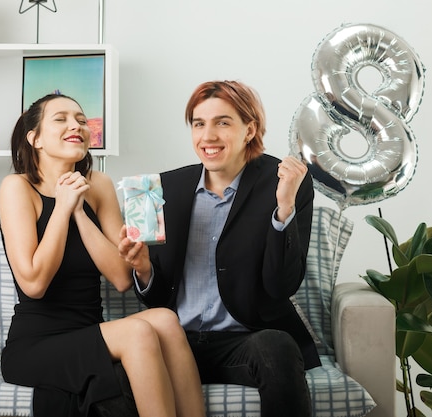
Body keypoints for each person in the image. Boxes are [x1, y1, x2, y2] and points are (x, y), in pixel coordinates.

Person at [119, 80, 320, 417]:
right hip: (176, 341)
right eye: (199, 124)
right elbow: (155, 298)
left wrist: (283, 208)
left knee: (277, 346)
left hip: (245, 339)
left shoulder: (284, 182)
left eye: (222, 122)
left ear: (249, 129)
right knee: (110, 374)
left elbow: (281, 286)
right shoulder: (165, 188)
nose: (208, 136)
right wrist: (142, 269)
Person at [0, 93, 206, 417]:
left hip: (89, 331)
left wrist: (80, 212)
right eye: (61, 119)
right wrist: (63, 207)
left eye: (81, 120)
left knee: (165, 320)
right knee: (137, 332)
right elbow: (34, 283)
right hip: (37, 344)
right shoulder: (18, 188)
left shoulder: (99, 185)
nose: (76, 126)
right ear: (34, 137)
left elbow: (122, 278)